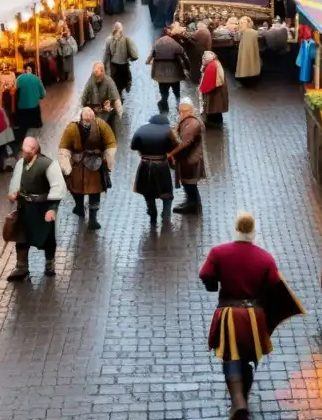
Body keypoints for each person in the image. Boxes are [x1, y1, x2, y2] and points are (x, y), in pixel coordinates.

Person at [199, 213, 305, 420]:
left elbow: (205, 274)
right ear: (253, 231)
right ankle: (243, 400)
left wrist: (213, 285)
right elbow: (275, 286)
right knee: (249, 358)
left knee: (231, 356)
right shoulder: (265, 258)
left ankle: (238, 401)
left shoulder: (218, 252)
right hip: (255, 317)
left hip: (229, 314)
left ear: (236, 229)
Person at [6, 136, 68, 281]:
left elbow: (58, 188)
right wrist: (13, 193)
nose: (23, 154)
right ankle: (22, 267)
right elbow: (15, 182)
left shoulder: (48, 165)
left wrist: (52, 208)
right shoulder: (21, 163)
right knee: (21, 237)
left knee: (47, 237)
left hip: (42, 209)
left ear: (34, 151)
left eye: (26, 152)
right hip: (24, 208)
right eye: (23, 151)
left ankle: (49, 264)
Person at [60, 107, 117, 230]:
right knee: (76, 188)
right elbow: (64, 147)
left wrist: (108, 161)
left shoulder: (101, 125)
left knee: (93, 192)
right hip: (79, 163)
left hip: (94, 164)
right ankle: (80, 207)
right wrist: (66, 166)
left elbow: (110, 144)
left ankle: (92, 218)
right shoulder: (72, 128)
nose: (89, 121)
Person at [131, 113, 178, 222]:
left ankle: (152, 212)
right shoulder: (169, 131)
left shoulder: (141, 129)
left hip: (145, 164)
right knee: (166, 192)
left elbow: (133, 146)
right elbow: (176, 145)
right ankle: (166, 214)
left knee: (148, 192)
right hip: (162, 164)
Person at [169, 98, 206, 214]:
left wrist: (170, 154)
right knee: (187, 183)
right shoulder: (185, 119)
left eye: (184, 111)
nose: (181, 114)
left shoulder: (193, 123)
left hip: (191, 160)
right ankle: (191, 203)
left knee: (190, 185)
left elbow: (183, 142)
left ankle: (193, 206)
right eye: (179, 111)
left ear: (190, 110)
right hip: (186, 159)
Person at [147, 28, 188, 112]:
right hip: (174, 73)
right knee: (177, 91)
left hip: (160, 74)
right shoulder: (174, 43)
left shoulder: (157, 43)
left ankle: (164, 107)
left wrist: (148, 61)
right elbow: (183, 54)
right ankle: (178, 105)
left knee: (163, 92)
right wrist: (188, 67)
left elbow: (151, 56)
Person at [80, 61, 122, 128]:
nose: (96, 78)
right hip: (94, 110)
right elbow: (83, 97)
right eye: (95, 74)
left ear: (103, 72)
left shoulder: (108, 81)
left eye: (98, 75)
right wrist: (82, 109)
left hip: (106, 111)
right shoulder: (91, 81)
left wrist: (119, 110)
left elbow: (116, 97)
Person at [103, 21, 138, 96]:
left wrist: (103, 64)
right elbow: (134, 54)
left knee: (115, 81)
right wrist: (131, 59)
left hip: (113, 64)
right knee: (125, 79)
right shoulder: (126, 39)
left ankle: (118, 94)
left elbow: (106, 54)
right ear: (121, 29)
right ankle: (123, 90)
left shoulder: (108, 39)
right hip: (124, 64)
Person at [13, 63, 46, 143]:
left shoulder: (19, 78)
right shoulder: (36, 79)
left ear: (24, 70)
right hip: (34, 110)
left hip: (22, 110)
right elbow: (43, 95)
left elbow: (14, 91)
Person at [200, 50, 229, 127]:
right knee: (217, 109)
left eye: (203, 59)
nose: (202, 60)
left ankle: (214, 124)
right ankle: (216, 122)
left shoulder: (211, 66)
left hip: (215, 92)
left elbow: (208, 85)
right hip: (218, 91)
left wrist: (203, 92)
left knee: (214, 107)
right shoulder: (214, 63)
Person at [235, 16, 261, 86]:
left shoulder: (244, 31)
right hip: (248, 43)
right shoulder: (254, 32)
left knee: (245, 59)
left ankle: (244, 74)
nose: (241, 24)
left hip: (245, 43)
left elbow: (238, 33)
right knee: (252, 58)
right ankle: (252, 74)